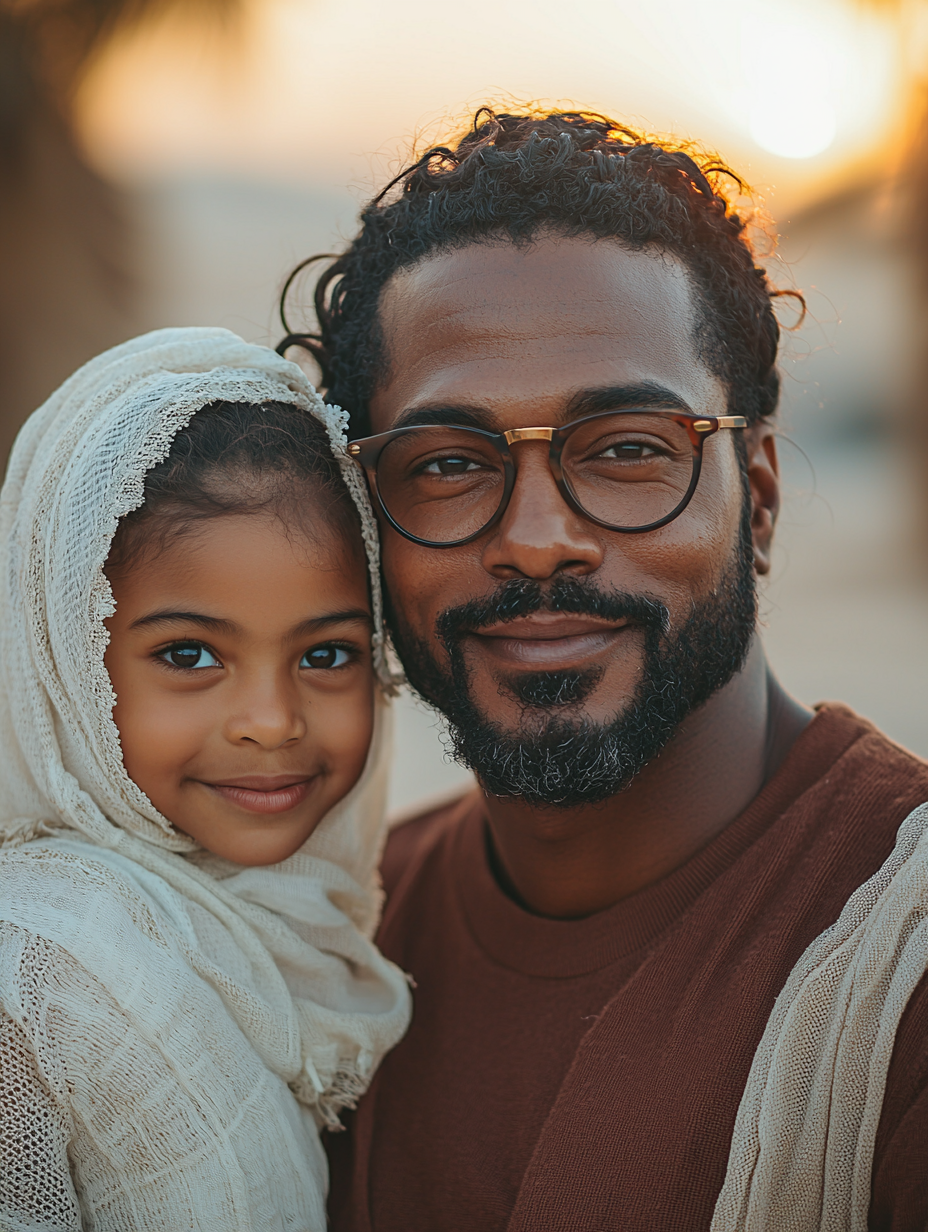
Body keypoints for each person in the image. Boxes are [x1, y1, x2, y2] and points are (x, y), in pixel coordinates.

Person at [279, 111, 928, 1230]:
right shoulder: (326, 957)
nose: (536, 538)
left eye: (628, 447)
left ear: (757, 498)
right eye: (446, 462)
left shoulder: (897, 961)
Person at [0, 327, 411, 1231]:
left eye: (328, 653)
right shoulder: (39, 976)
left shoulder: (291, 931)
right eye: (189, 654)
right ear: (65, 660)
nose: (270, 719)